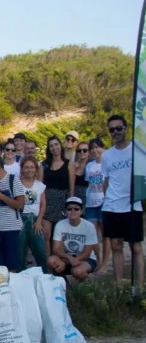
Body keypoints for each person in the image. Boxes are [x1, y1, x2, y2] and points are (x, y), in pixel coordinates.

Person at [102, 114, 144, 290]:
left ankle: (140, 288)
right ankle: (119, 287)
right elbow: (105, 181)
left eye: (119, 128)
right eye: (112, 129)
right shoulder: (107, 155)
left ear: (126, 128)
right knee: (116, 246)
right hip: (112, 206)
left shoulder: (138, 150)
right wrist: (109, 199)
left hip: (132, 205)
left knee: (135, 247)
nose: (116, 132)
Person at [0, 153, 26, 271]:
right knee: (0, 264)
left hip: (11, 228)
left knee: (12, 263)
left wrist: (2, 196)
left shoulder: (13, 180)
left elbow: (20, 205)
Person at [47, 197, 98, 281]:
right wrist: (67, 259)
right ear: (66, 211)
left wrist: (73, 260)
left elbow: (87, 253)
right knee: (51, 261)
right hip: (67, 256)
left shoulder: (89, 226)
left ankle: (88, 281)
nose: (73, 211)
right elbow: (55, 249)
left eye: (76, 209)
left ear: (81, 211)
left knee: (77, 271)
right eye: (69, 209)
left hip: (86, 258)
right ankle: (64, 286)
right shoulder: (60, 224)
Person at [41, 135, 75, 255]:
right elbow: (40, 186)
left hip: (62, 201)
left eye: (56, 144)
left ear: (60, 146)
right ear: (49, 149)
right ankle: (48, 263)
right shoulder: (44, 165)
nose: (54, 147)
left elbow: (71, 186)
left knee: (59, 235)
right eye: (51, 146)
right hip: (47, 202)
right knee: (46, 235)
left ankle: (59, 261)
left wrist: (70, 205)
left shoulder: (69, 164)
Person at [18, 157, 47, 272]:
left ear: (35, 170)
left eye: (32, 167)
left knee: (39, 250)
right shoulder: (17, 184)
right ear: (22, 169)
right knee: (20, 250)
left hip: (35, 219)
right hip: (21, 218)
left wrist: (39, 221)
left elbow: (43, 204)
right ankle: (21, 275)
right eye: (26, 167)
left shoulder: (39, 185)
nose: (29, 170)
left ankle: (44, 274)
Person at [84, 138, 108, 272]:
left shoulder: (107, 164)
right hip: (91, 203)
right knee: (92, 235)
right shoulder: (90, 165)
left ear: (103, 148)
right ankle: (98, 260)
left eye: (97, 147)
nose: (95, 150)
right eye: (92, 148)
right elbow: (89, 183)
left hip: (105, 203)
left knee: (106, 236)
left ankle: (105, 263)